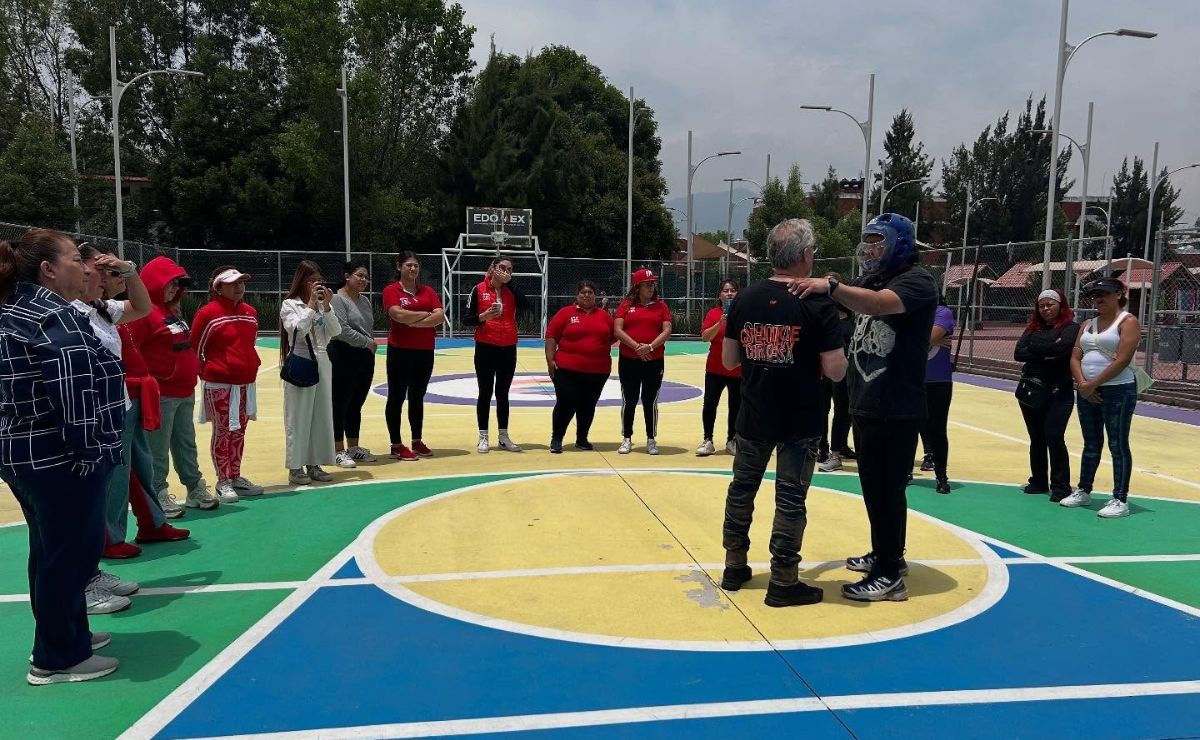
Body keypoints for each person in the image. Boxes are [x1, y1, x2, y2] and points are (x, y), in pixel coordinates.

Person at [790, 212, 937, 602]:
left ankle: (890, 575)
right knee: (873, 488)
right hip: (867, 401)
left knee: (887, 490)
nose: (870, 249)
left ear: (899, 244)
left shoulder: (916, 281)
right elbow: (843, 304)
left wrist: (831, 284)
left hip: (896, 404)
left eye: (878, 241)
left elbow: (873, 305)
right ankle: (887, 554)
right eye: (867, 241)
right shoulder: (873, 279)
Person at [0, 229, 126, 684]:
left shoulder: (14, 309)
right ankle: (56, 657)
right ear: (49, 270)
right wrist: (91, 453)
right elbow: (74, 397)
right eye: (76, 258)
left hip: (23, 454)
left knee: (49, 552)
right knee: (69, 556)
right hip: (60, 458)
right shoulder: (55, 316)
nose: (87, 266)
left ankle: (69, 633)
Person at [719, 219, 847, 607]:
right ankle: (784, 579)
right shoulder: (817, 303)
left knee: (742, 490)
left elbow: (728, 360)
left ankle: (734, 564)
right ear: (806, 256)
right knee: (790, 499)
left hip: (754, 413)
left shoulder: (744, 299)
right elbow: (837, 370)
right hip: (801, 416)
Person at [74, 244, 185, 559]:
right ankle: (109, 536)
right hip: (100, 408)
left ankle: (151, 521)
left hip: (121, 400)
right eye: (100, 270)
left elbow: (142, 305)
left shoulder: (102, 308)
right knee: (115, 472)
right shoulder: (71, 311)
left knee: (139, 465)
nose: (107, 276)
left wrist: (130, 271)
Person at [128, 257, 218, 509]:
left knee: (185, 443)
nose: (174, 288)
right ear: (155, 283)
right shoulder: (142, 313)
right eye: (170, 283)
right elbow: (134, 351)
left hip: (183, 391)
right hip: (161, 393)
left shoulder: (170, 311)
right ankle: (157, 490)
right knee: (157, 447)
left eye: (177, 284)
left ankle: (194, 486)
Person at [1062, 277, 1140, 518]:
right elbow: (1075, 356)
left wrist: (1091, 384)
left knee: (1117, 443)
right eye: (1095, 296)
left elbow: (1123, 360)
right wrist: (1083, 384)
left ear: (1119, 294)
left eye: (1103, 294)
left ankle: (1120, 498)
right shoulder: (1087, 324)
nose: (1098, 300)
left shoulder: (1127, 322)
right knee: (1091, 442)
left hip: (1118, 390)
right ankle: (1084, 489)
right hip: (1087, 391)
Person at [192, 266, 265, 502]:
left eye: (241, 282)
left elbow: (249, 344)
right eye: (233, 283)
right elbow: (196, 348)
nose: (239, 287)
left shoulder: (250, 313)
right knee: (223, 430)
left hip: (246, 383)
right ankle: (222, 480)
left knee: (240, 430)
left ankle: (235, 476)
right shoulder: (207, 313)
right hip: (219, 383)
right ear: (219, 287)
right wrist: (207, 374)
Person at [1014, 289, 1079, 502]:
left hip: (1059, 392)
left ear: (1060, 306)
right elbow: (1019, 353)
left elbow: (1064, 350)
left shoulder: (1071, 328)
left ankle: (1061, 486)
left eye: (1050, 305)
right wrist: (1049, 350)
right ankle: (1039, 481)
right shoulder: (1033, 328)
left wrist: (1038, 349)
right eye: (1042, 306)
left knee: (1054, 436)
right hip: (1032, 391)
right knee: (1037, 438)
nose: (1045, 309)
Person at [280, 261, 341, 485]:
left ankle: (315, 463)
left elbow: (335, 331)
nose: (316, 285)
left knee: (320, 415)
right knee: (298, 416)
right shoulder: (290, 304)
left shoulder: (324, 305)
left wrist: (328, 308)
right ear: (302, 281)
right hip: (302, 360)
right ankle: (295, 467)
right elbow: (297, 330)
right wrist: (312, 306)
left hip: (323, 361)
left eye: (319, 281)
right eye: (312, 281)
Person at [382, 252, 444, 460]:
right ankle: (396, 444)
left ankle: (417, 441)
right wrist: (426, 315)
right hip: (400, 350)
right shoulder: (391, 290)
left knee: (417, 396)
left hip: (424, 350)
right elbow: (397, 314)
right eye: (408, 265)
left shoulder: (427, 291)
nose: (413, 269)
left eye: (415, 266)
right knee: (397, 396)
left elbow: (440, 316)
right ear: (399, 267)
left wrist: (414, 320)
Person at [463, 255, 528, 453]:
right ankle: (483, 436)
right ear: (492, 268)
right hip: (485, 346)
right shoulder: (478, 289)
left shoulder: (511, 291)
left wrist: (511, 284)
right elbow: (467, 319)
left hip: (508, 347)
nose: (506, 272)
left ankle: (503, 436)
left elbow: (526, 305)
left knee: (503, 393)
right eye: (502, 267)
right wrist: (484, 317)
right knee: (485, 392)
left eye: (509, 269)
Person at [545, 280, 615, 453]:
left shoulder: (604, 316)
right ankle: (557, 438)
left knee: (588, 404)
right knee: (566, 402)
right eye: (583, 292)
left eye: (590, 292)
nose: (586, 295)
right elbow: (551, 336)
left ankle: (582, 438)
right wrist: (550, 360)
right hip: (567, 369)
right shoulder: (565, 313)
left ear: (595, 295)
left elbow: (613, 337)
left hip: (598, 371)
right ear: (577, 295)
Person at [614, 268, 673, 455]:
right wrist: (636, 347)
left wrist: (650, 347)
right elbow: (618, 330)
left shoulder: (661, 306)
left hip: (654, 361)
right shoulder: (626, 305)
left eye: (652, 284)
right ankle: (627, 438)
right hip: (629, 360)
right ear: (637, 287)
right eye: (647, 284)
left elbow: (667, 330)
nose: (651, 287)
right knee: (629, 400)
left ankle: (651, 438)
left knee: (650, 400)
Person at [330, 260, 379, 467]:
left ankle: (353, 446)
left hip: (364, 356)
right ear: (347, 276)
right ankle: (337, 449)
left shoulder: (365, 301)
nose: (363, 280)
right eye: (359, 275)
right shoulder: (336, 299)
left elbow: (367, 326)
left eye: (366, 276)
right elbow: (341, 330)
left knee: (356, 403)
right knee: (340, 403)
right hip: (343, 354)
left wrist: (367, 345)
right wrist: (367, 342)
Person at [696, 280, 741, 457]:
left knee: (736, 406)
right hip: (715, 368)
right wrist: (721, 322)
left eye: (733, 290)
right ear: (719, 295)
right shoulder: (713, 314)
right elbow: (705, 337)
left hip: (737, 369)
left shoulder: (743, 313)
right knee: (709, 404)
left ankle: (732, 440)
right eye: (726, 291)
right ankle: (708, 439)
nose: (729, 294)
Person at [916, 294, 955, 494]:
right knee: (909, 427)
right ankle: (906, 472)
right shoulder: (911, 311)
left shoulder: (943, 312)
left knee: (938, 429)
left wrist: (916, 337)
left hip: (938, 380)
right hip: (912, 378)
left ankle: (941, 476)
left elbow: (927, 338)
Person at [818, 272, 857, 472]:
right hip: (822, 369)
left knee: (844, 410)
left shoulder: (851, 313)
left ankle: (839, 447)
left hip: (846, 370)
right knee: (821, 410)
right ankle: (822, 447)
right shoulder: (819, 310)